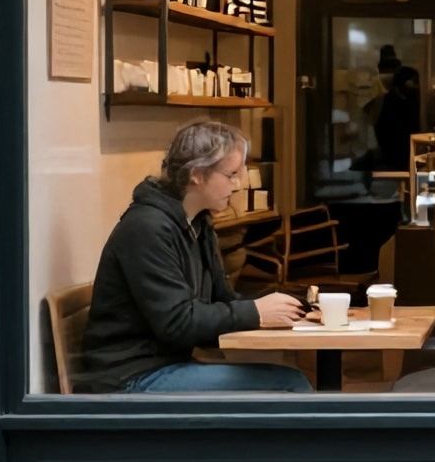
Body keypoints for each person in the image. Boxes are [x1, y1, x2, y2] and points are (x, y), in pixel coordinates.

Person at [74, 121, 312, 393]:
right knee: (288, 385)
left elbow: (222, 301)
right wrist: (256, 312)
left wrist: (293, 307)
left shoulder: (198, 223)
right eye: (231, 174)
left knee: (289, 379)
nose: (238, 184)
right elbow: (177, 323)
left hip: (165, 365)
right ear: (197, 174)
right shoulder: (146, 228)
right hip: (129, 377)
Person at [370, 65, 421, 173]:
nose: (416, 85)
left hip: (409, 155)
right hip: (391, 157)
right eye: (412, 81)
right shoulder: (385, 101)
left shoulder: (414, 101)